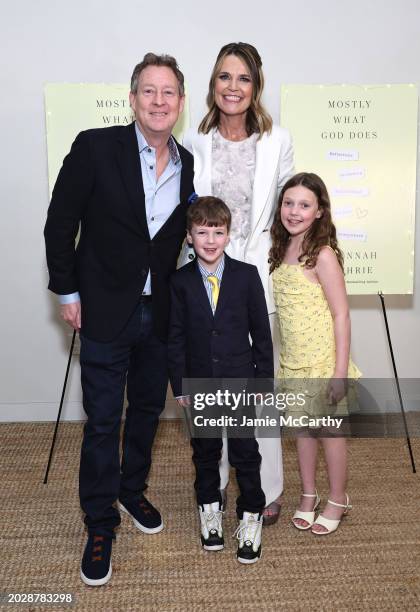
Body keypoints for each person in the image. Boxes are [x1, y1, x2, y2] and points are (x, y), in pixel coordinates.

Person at [44, 53, 194, 586]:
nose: (158, 101)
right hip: (104, 308)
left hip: (159, 314)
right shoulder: (94, 146)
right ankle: (100, 521)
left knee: (149, 412)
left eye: (168, 92)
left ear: (180, 102)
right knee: (104, 420)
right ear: (132, 99)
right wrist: (66, 290)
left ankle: (131, 492)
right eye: (148, 91)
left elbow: (177, 240)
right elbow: (60, 222)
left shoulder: (187, 163)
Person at [181, 42, 294, 524]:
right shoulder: (193, 139)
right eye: (225, 77)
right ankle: (219, 482)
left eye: (243, 78)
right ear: (213, 85)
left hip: (254, 277)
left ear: (256, 86)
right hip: (205, 276)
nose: (233, 87)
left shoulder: (277, 140)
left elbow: (289, 213)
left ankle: (265, 487)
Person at [168, 196, 273, 563]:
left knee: (245, 452)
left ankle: (250, 515)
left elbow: (262, 333)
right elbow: (176, 337)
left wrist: (263, 381)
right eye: (202, 232)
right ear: (189, 237)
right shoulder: (179, 282)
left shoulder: (246, 276)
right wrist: (180, 385)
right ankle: (209, 509)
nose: (210, 240)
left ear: (229, 235)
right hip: (199, 383)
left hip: (240, 380)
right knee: (206, 452)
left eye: (218, 232)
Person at [269, 172, 361, 535]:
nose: (294, 211)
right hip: (293, 361)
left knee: (328, 432)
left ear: (319, 211)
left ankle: (338, 498)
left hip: (322, 362)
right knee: (302, 432)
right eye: (288, 203)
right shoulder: (280, 248)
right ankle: (309, 494)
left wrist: (338, 372)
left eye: (304, 205)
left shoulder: (322, 255)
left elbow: (341, 313)